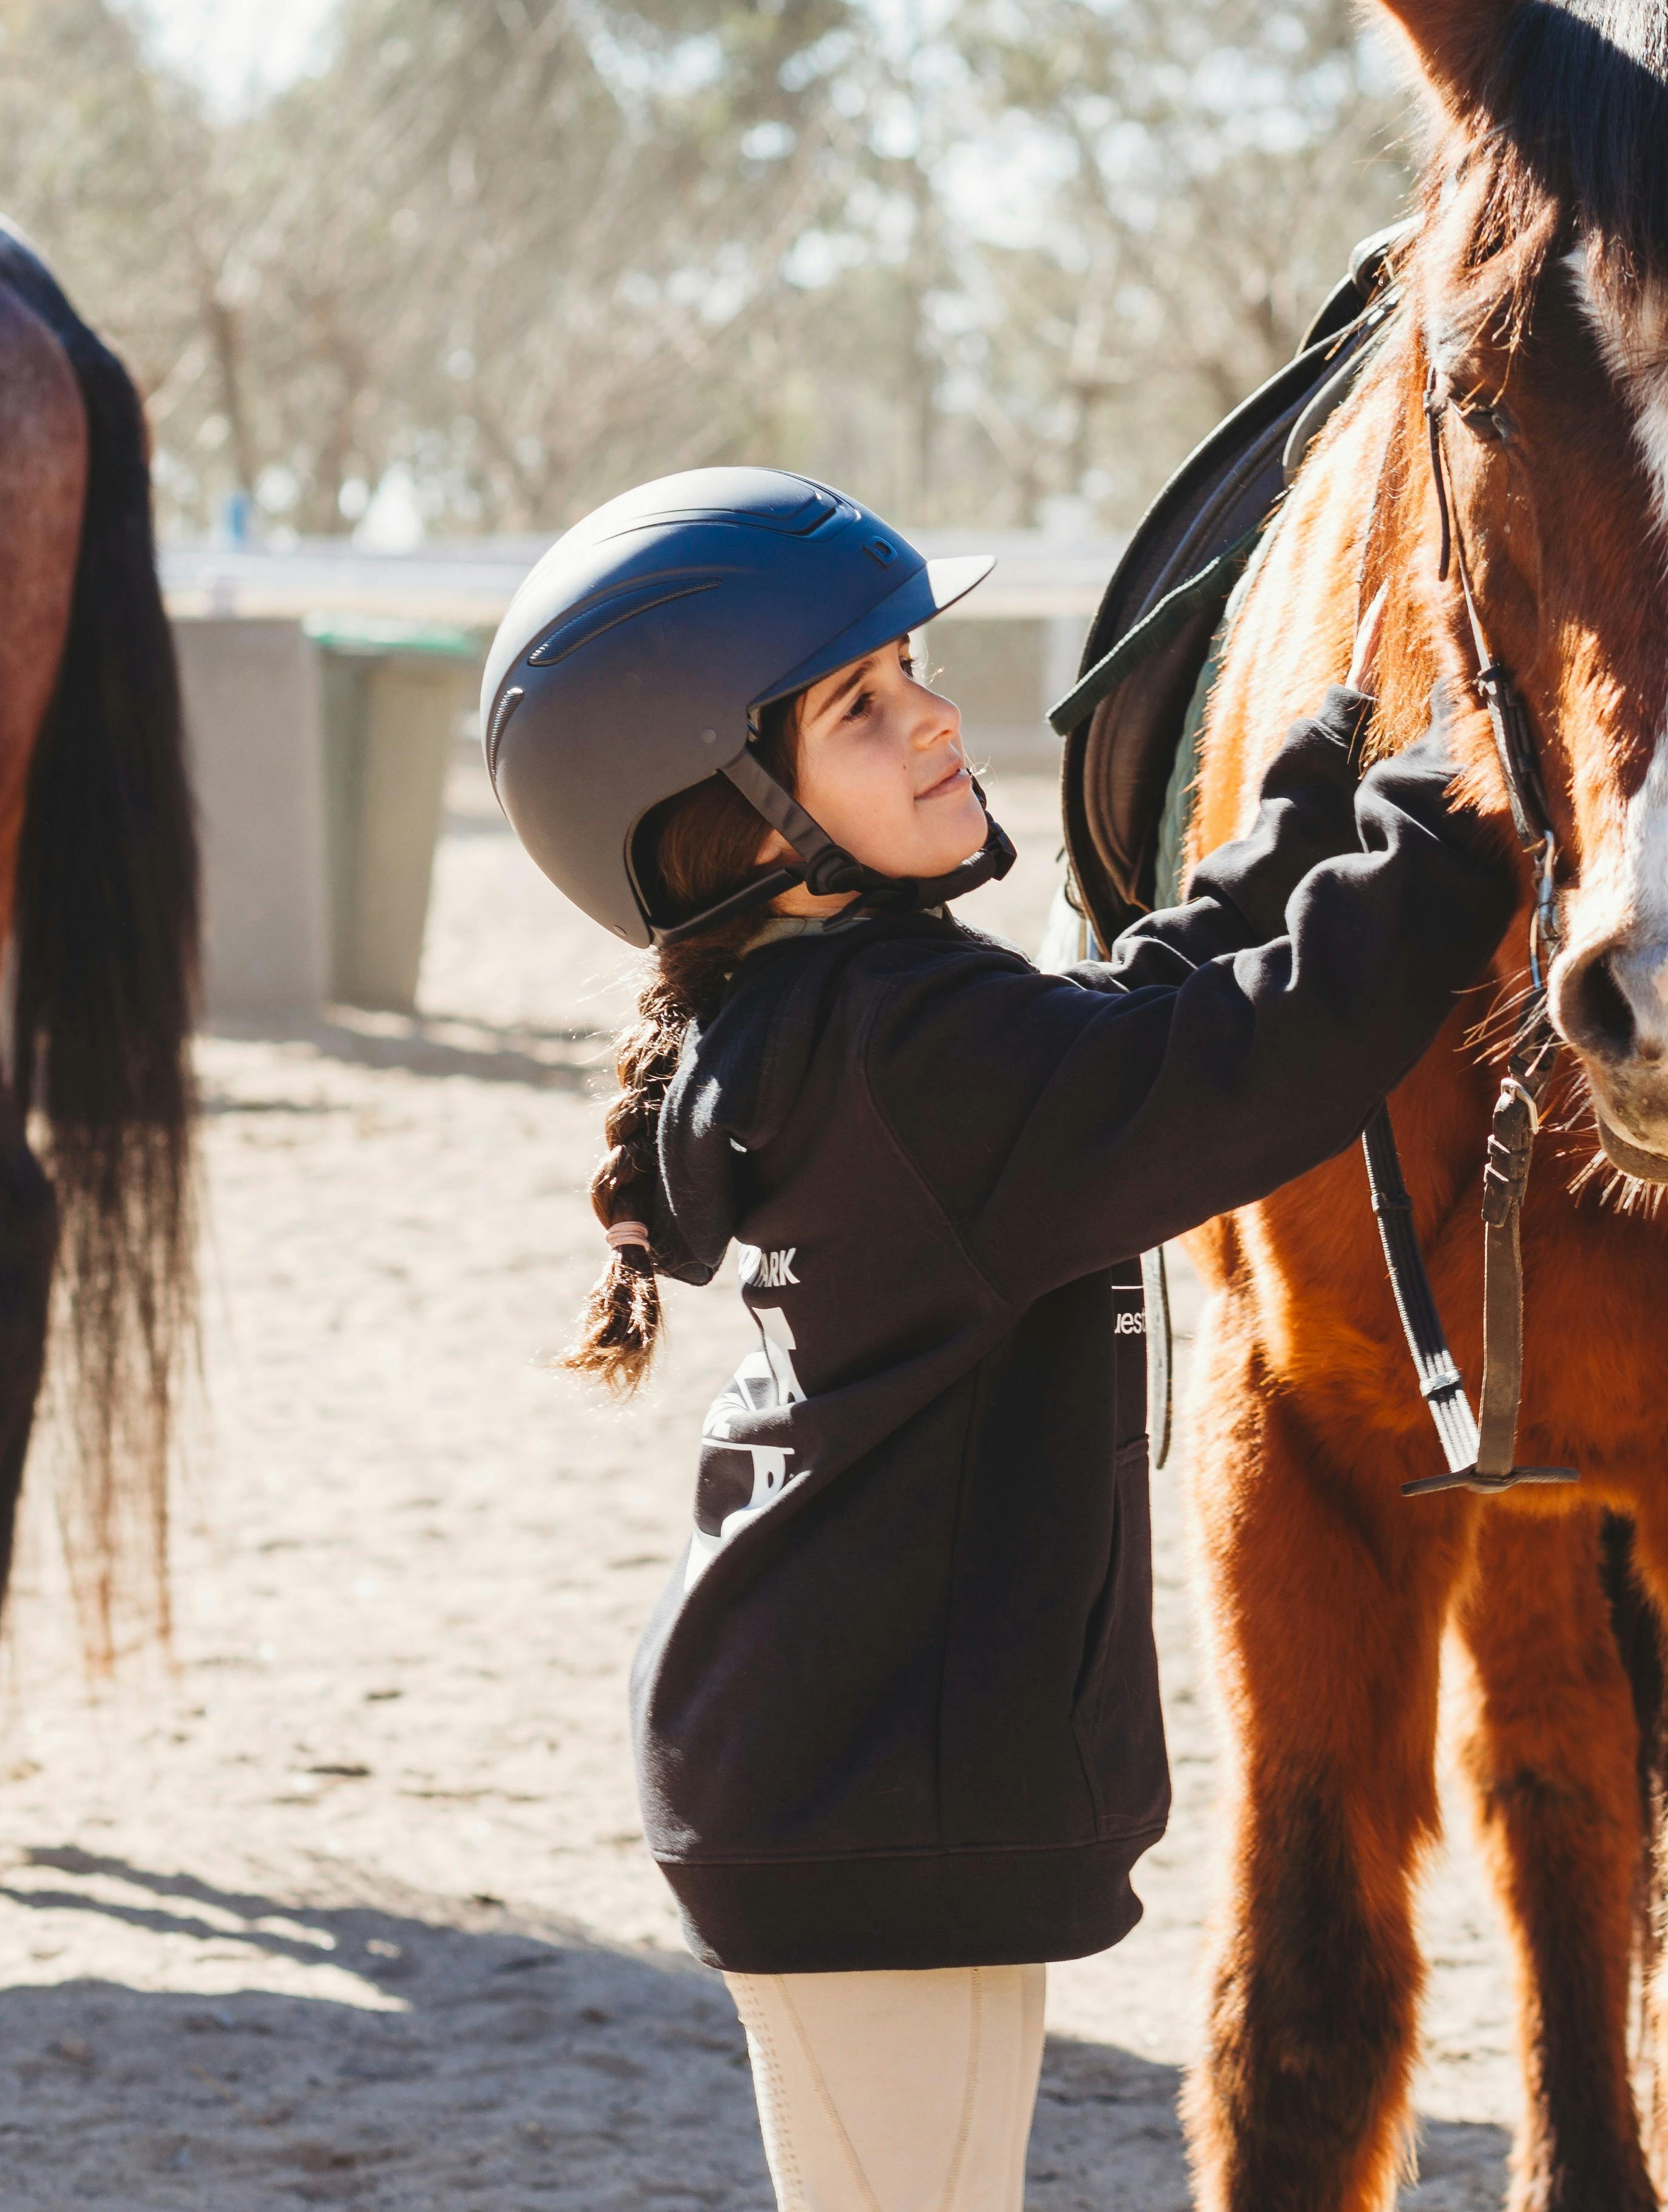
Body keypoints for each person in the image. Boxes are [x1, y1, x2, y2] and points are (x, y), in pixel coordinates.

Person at [479, 467, 1516, 2212]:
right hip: (870, 1782)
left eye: (913, 670)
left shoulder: (858, 1014)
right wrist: (1461, 793)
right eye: (858, 708)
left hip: (856, 1765)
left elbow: (1126, 1015)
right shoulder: (908, 1060)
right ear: (733, 819)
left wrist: (1307, 803)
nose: (933, 717)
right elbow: (1248, 1061)